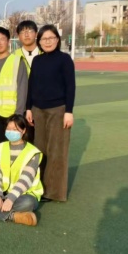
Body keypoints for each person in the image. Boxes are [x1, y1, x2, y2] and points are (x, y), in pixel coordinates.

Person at [25, 24, 75, 202]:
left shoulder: (64, 59)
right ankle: (39, 187)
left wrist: (68, 111)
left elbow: (70, 86)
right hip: (38, 110)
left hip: (58, 110)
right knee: (39, 150)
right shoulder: (37, 61)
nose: (48, 42)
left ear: (57, 40)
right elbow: (31, 85)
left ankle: (54, 192)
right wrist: (29, 108)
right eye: (44, 39)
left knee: (56, 151)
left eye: (51, 38)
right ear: (39, 41)